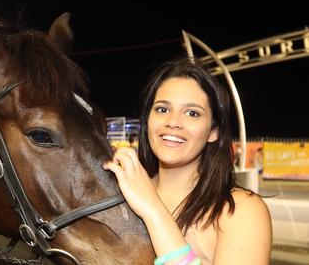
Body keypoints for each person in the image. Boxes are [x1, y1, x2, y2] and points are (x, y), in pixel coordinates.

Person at [104, 58, 271, 264]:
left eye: (192, 113)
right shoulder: (123, 194)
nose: (173, 122)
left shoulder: (240, 211)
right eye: (162, 109)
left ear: (213, 132)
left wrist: (154, 211)